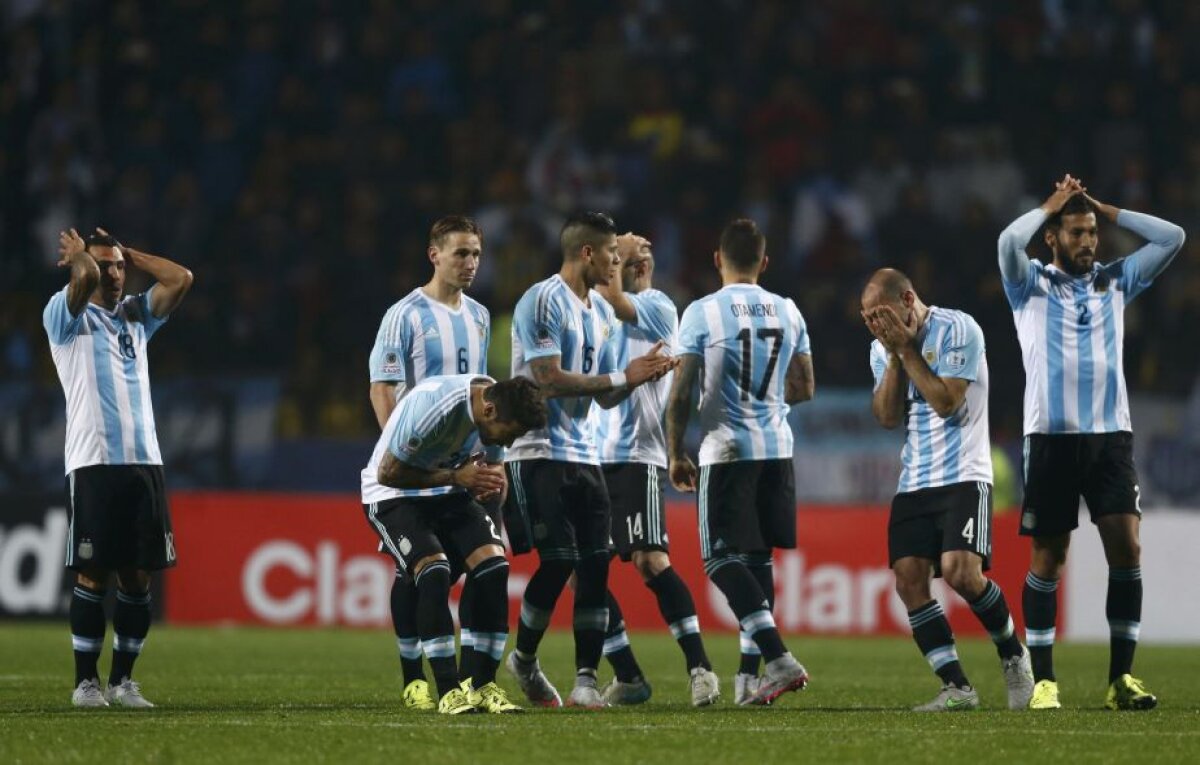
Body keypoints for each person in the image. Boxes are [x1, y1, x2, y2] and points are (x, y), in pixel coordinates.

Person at [998, 175, 1186, 711]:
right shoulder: (1028, 283)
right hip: (1052, 440)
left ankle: (1120, 680)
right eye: (1076, 233)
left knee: (1126, 546)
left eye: (1090, 233)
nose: (1087, 242)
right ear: (1053, 238)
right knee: (1049, 555)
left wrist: (1108, 208)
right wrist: (1048, 206)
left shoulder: (1116, 280)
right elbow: (1007, 243)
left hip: (1111, 440)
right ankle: (1045, 682)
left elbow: (1172, 237)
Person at [503, 211, 677, 709]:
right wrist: (622, 377)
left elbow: (602, 397)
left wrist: (641, 376)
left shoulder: (600, 313)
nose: (616, 264)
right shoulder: (541, 300)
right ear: (587, 254)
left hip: (585, 453)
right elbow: (547, 379)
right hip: (537, 451)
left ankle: (584, 680)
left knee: (595, 567)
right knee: (558, 561)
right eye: (611, 256)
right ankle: (526, 660)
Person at [862, 267, 1034, 712]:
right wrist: (894, 355)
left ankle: (1013, 653)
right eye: (868, 319)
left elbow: (946, 402)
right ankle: (956, 686)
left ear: (908, 298)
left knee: (961, 573)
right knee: (908, 581)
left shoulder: (958, 328)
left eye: (880, 315)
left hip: (964, 473)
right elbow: (884, 416)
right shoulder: (882, 349)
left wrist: (905, 349)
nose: (876, 327)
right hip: (914, 480)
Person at [665, 218, 814, 706]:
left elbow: (682, 390)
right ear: (764, 263)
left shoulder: (703, 312)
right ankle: (750, 681)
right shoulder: (788, 310)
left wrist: (674, 452)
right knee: (758, 559)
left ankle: (778, 659)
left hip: (728, 449)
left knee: (720, 558)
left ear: (717, 259)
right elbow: (805, 387)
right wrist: (766, 397)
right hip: (777, 447)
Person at [43, 227, 194, 708]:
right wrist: (84, 261)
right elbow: (84, 277)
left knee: (138, 577)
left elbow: (181, 277)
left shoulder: (136, 317)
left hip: (144, 461)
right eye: (104, 266)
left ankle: (122, 682)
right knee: (94, 574)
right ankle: (85, 683)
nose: (112, 274)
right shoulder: (65, 317)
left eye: (118, 267)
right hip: (94, 462)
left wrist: (129, 254)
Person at [362, 374, 547, 714]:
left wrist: (491, 485)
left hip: (447, 491)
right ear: (489, 411)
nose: (512, 440)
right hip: (393, 495)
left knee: (495, 567)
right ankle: (448, 691)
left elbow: (494, 468)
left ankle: (480, 686)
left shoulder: (494, 405)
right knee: (434, 570)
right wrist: (455, 477)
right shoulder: (434, 408)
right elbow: (387, 473)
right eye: (513, 432)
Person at [367, 215, 492, 711]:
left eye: (477, 254)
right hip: (414, 469)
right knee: (420, 571)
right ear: (434, 254)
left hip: (461, 471)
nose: (471, 263)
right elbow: (383, 387)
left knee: (435, 572)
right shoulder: (404, 315)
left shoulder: (480, 316)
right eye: (461, 253)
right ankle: (414, 679)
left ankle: (463, 679)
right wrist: (400, 453)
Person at [590, 233, 719, 707]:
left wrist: (612, 255)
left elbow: (614, 297)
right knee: (583, 572)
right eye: (629, 258)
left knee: (650, 561)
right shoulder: (592, 312)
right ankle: (628, 676)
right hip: (589, 455)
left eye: (644, 258)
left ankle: (700, 668)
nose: (640, 263)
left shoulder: (661, 307)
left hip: (636, 454)